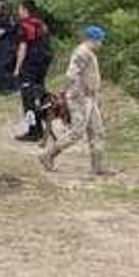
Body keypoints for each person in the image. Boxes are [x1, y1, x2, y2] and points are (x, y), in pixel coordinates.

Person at [41, 26, 109, 174]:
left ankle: (97, 167)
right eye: (100, 41)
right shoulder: (82, 52)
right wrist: (78, 94)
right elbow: (71, 75)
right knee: (77, 132)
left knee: (97, 131)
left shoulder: (88, 52)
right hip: (82, 98)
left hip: (89, 98)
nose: (102, 44)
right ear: (93, 39)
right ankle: (48, 155)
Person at [14, 0, 52, 142]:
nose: (18, 12)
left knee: (28, 99)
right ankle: (45, 123)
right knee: (39, 93)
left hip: (29, 65)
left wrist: (17, 68)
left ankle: (33, 131)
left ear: (25, 10)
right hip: (42, 65)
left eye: (19, 9)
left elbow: (22, 48)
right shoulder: (41, 24)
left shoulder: (24, 25)